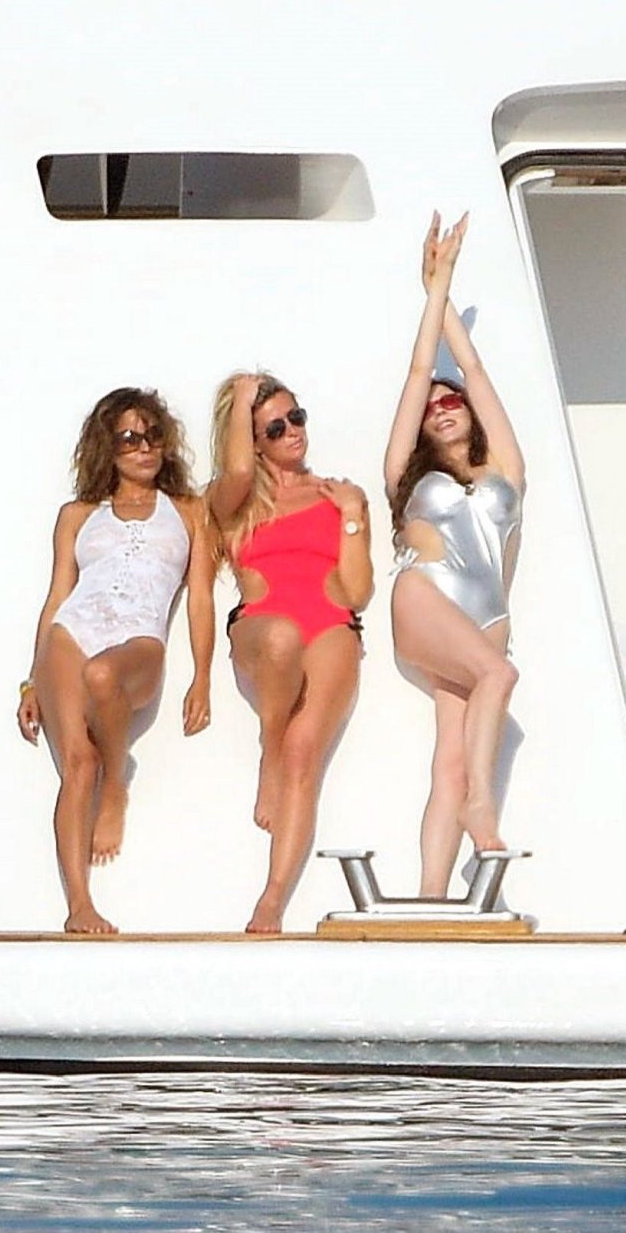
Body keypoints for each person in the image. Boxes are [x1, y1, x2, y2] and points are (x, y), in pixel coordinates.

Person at [17, 387, 216, 934]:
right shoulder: (78, 515)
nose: (144, 448)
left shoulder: (189, 511)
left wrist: (201, 675)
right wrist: (31, 681)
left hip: (138, 636)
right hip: (73, 631)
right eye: (129, 438)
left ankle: (117, 785)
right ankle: (79, 905)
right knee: (76, 765)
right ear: (108, 446)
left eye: (153, 436)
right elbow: (57, 597)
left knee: (104, 676)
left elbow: (200, 598)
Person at [385, 212, 526, 897]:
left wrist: (443, 289)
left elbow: (471, 368)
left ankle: (430, 898)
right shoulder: (404, 479)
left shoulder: (506, 471)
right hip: (426, 599)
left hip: (485, 618)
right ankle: (481, 807)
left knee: (448, 760)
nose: (441, 405)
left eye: (452, 401)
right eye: (431, 407)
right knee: (500, 676)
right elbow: (423, 370)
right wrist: (434, 292)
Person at [210, 370, 373, 932]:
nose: (292, 432)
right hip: (262, 626)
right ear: (253, 441)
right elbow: (236, 471)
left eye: (295, 417)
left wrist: (351, 516)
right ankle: (268, 746)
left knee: (305, 752)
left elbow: (357, 592)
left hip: (330, 624)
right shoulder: (234, 502)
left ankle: (273, 898)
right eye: (274, 428)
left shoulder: (338, 494)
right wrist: (241, 397)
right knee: (279, 637)